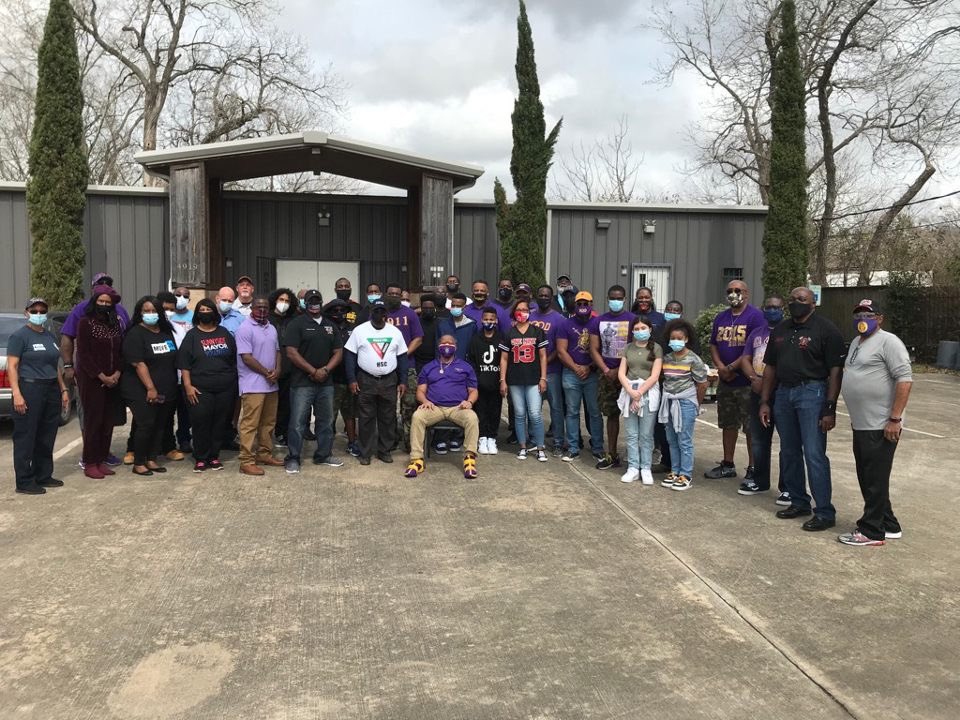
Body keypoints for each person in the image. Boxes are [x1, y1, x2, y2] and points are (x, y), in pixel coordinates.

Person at [760, 287, 845, 532]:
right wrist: (765, 400)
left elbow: (836, 370)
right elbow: (770, 367)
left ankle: (825, 512)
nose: (796, 302)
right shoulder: (781, 330)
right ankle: (798, 501)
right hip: (783, 394)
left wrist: (830, 407)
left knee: (814, 453)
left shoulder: (826, 330)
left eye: (802, 299)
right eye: (793, 299)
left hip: (812, 392)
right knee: (789, 451)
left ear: (813, 303)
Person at [837, 299, 913, 547]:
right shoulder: (856, 343)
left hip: (881, 424)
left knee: (874, 478)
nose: (862, 320)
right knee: (869, 476)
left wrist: (895, 418)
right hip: (862, 423)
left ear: (879, 318)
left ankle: (871, 531)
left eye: (868, 315)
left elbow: (904, 380)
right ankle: (888, 524)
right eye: (858, 315)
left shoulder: (889, 342)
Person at [59, 272, 130, 466]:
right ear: (93, 289)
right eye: (100, 284)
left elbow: (125, 342)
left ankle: (103, 454)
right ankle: (89, 457)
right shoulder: (82, 312)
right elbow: (68, 338)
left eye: (108, 284)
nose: (104, 287)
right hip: (90, 375)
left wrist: (118, 372)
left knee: (108, 418)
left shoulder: (119, 312)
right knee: (91, 417)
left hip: (114, 375)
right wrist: (68, 365)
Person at [8, 297, 70, 494]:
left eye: (42, 311)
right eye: (34, 311)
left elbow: (55, 366)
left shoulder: (50, 336)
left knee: (47, 434)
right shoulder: (20, 337)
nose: (38, 314)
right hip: (30, 388)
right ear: (26, 313)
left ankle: (43, 474)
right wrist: (17, 394)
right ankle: (24, 481)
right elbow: (12, 366)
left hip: (51, 388)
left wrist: (63, 389)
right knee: (26, 436)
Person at [706, 280, 766, 480]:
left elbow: (754, 347)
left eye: (737, 290)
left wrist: (732, 367)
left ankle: (753, 468)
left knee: (751, 428)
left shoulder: (755, 316)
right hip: (726, 381)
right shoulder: (721, 317)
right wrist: (721, 368)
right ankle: (728, 464)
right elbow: (713, 345)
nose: (733, 293)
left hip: (747, 382)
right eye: (729, 290)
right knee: (728, 424)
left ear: (746, 294)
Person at [282, 290, 344, 474]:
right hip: (302, 382)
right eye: (311, 301)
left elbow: (338, 352)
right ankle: (293, 457)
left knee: (326, 421)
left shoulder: (330, 325)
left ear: (321, 302)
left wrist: (325, 370)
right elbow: (291, 352)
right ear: (305, 303)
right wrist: (313, 371)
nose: (314, 304)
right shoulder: (296, 324)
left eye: (317, 301)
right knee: (297, 422)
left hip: (326, 383)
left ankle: (323, 454)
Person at [404, 334, 480, 480]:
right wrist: (425, 401)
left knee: (472, 418)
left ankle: (469, 459)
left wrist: (469, 402)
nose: (447, 345)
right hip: (434, 407)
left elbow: (473, 391)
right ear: (438, 346)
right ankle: (417, 460)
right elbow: (420, 391)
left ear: (455, 347)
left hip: (458, 407)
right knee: (417, 416)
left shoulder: (465, 367)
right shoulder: (429, 367)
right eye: (444, 343)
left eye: (450, 343)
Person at [345, 300, 408, 465]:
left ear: (387, 313)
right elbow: (350, 356)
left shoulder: (395, 332)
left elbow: (402, 357)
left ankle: (384, 451)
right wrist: (352, 379)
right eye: (376, 311)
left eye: (382, 311)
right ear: (370, 312)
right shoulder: (359, 331)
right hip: (366, 379)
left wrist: (403, 380)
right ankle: (365, 453)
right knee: (366, 418)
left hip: (389, 380)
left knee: (388, 417)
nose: (379, 314)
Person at [121, 296, 179, 476]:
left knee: (160, 424)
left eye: (154, 311)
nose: (151, 314)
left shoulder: (165, 332)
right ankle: (139, 462)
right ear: (140, 313)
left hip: (165, 387)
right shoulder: (135, 334)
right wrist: (151, 388)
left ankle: (151, 459)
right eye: (146, 311)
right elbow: (139, 364)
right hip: (141, 388)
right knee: (146, 424)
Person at [737, 294, 787, 500]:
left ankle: (788, 487)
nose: (772, 310)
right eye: (768, 307)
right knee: (759, 440)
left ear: (783, 310)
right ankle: (760, 480)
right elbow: (746, 358)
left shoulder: (788, 331)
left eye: (776, 307)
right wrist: (753, 378)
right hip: (757, 391)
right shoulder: (756, 333)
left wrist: (769, 383)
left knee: (788, 442)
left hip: (781, 391)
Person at [178, 299, 238, 472]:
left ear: (214, 312)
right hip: (199, 388)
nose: (205, 312)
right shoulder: (192, 335)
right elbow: (184, 364)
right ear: (197, 314)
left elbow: (233, 359)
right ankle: (201, 457)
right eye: (202, 310)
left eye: (208, 309)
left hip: (225, 388)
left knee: (220, 422)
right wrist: (188, 386)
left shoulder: (224, 333)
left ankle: (214, 456)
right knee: (201, 422)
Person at [75, 285, 124, 479]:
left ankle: (102, 459)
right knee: (93, 421)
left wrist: (117, 373)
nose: (104, 304)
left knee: (107, 421)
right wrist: (101, 376)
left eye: (107, 302)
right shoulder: (85, 323)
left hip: (114, 379)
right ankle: (90, 462)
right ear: (94, 302)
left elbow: (120, 351)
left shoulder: (115, 323)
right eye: (100, 301)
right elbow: (83, 354)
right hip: (92, 380)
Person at [235, 297, 284, 476]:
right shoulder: (244, 328)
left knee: (268, 422)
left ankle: (264, 454)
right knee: (250, 424)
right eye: (258, 307)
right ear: (252, 308)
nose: (262, 310)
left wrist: (277, 370)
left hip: (271, 384)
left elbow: (277, 351)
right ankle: (246, 461)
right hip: (253, 384)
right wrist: (266, 372)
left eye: (265, 307)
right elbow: (246, 357)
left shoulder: (271, 328)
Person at [658, 320, 709, 491]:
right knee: (671, 439)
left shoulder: (693, 359)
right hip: (669, 402)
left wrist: (696, 405)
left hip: (685, 402)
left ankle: (685, 474)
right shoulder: (667, 358)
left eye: (679, 338)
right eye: (672, 338)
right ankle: (675, 471)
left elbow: (702, 384)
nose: (675, 341)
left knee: (684, 440)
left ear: (686, 339)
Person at [589, 284, 636, 470]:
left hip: (629, 373)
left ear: (624, 299)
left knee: (634, 415)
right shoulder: (598, 321)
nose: (615, 301)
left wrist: (620, 370)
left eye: (619, 298)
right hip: (606, 374)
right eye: (612, 298)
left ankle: (636, 458)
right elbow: (594, 348)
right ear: (607, 299)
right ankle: (612, 454)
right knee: (611, 414)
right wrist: (606, 369)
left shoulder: (633, 320)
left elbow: (637, 347)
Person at [556, 291, 604, 462]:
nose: (582, 306)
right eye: (579, 304)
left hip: (592, 373)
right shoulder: (566, 324)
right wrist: (576, 368)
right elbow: (561, 351)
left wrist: (589, 367)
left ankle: (598, 447)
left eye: (586, 303)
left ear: (591, 304)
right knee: (572, 412)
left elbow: (602, 349)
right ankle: (573, 448)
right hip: (571, 373)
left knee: (595, 412)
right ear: (575, 305)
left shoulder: (598, 323)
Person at [499, 299, 549, 462]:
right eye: (519, 309)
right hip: (514, 379)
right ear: (514, 312)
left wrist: (543, 378)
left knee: (535, 414)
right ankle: (522, 447)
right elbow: (504, 359)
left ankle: (540, 447)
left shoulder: (537, 331)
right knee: (519, 414)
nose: (522, 312)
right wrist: (502, 380)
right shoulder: (509, 333)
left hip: (533, 378)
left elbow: (543, 356)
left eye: (525, 309)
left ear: (529, 312)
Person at [618, 315, 663, 485]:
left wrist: (640, 392)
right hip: (629, 392)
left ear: (650, 329)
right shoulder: (627, 348)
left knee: (646, 435)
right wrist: (631, 391)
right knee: (631, 433)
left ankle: (645, 468)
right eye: (636, 329)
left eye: (643, 328)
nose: (640, 331)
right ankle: (633, 468)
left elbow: (655, 375)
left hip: (648, 393)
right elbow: (622, 373)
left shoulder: (656, 348)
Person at [384, 282, 424, 451]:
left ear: (401, 296)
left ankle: (409, 442)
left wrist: (402, 354)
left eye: (397, 294)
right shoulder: (379, 313)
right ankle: (390, 441)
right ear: (386, 294)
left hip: (408, 366)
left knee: (409, 406)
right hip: (385, 368)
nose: (394, 296)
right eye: (391, 293)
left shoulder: (409, 314)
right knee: (388, 406)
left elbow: (418, 338)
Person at [531, 285, 566, 455]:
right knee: (533, 408)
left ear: (551, 298)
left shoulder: (559, 319)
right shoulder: (530, 316)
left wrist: (543, 363)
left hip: (553, 371)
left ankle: (558, 442)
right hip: (531, 371)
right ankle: (534, 440)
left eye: (547, 296)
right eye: (541, 295)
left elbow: (559, 348)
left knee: (556, 408)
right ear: (536, 297)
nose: (543, 298)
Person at [322, 299, 361, 457]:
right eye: (335, 310)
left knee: (350, 414)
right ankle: (326, 446)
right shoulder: (326, 328)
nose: (339, 313)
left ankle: (352, 443)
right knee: (329, 415)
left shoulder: (354, 329)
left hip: (350, 378)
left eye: (342, 310)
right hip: (331, 379)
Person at [157, 290, 189, 461]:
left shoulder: (177, 328)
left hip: (177, 379)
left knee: (175, 414)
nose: (168, 313)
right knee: (155, 417)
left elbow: (184, 354)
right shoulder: (146, 329)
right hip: (155, 380)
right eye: (165, 309)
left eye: (171, 310)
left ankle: (172, 445)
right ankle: (140, 448)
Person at [467, 307, 504, 454]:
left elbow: (505, 360)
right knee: (480, 411)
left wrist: (502, 380)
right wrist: (475, 380)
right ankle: (482, 437)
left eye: (491, 319)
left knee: (495, 411)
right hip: (480, 382)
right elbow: (472, 361)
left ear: (496, 321)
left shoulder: (501, 338)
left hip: (496, 382)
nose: (489, 322)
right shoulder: (475, 338)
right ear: (482, 320)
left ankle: (492, 438)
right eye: (486, 319)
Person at [267, 287, 299, 447]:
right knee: (269, 405)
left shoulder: (293, 320)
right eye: (281, 300)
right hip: (269, 368)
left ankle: (282, 433)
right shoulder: (266, 318)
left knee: (286, 404)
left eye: (287, 301)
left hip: (289, 368)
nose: (284, 303)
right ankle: (265, 437)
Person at [437, 292, 476, 359]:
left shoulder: (471, 325)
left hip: (464, 363)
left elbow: (473, 349)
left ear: (465, 307)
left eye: (458, 306)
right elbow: (437, 347)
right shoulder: (442, 325)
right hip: (445, 362)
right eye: (453, 305)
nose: (455, 308)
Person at [414, 294, 441, 370]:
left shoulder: (440, 323)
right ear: (421, 308)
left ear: (435, 308)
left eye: (430, 308)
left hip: (436, 361)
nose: (428, 310)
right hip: (418, 362)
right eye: (425, 308)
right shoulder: (416, 322)